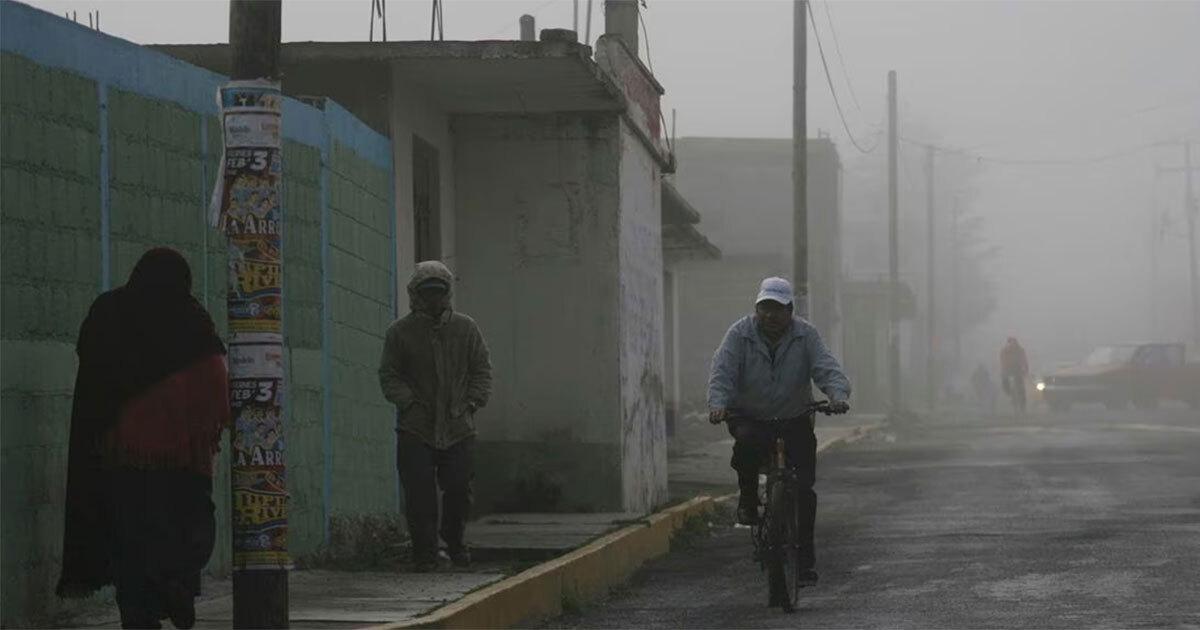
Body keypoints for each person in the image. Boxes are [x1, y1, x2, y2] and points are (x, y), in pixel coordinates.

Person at [58, 248, 230, 630]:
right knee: (187, 529)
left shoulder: (106, 312)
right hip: (181, 462)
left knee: (128, 542)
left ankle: (139, 615)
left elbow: (90, 367)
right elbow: (216, 373)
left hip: (121, 457)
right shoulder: (191, 317)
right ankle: (175, 585)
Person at [707, 277, 851, 586]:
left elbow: (825, 367)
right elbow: (723, 371)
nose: (770, 315)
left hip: (793, 417)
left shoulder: (805, 335)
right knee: (745, 445)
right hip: (751, 416)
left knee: (804, 491)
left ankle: (804, 563)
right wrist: (718, 404)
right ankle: (747, 501)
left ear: (790, 310)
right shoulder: (739, 334)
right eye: (764, 308)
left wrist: (838, 395)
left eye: (777, 308)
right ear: (756, 308)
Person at [379, 261, 492, 572]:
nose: (433, 299)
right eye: (426, 293)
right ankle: (425, 554)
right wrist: (409, 403)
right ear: (415, 293)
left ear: (448, 293)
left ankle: (455, 542)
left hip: (458, 425)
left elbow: (481, 370)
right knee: (419, 494)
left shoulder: (466, 329)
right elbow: (389, 375)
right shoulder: (399, 332)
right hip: (416, 427)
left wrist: (472, 403)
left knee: (458, 488)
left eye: (439, 292)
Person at [1000, 337, 1029, 414]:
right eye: (1010, 342)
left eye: (1013, 342)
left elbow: (1024, 360)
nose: (1011, 344)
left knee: (1021, 389)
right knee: (1005, 385)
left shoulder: (1020, 350)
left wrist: (1025, 370)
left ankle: (1023, 407)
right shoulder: (1004, 351)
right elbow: (1003, 362)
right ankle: (1010, 395)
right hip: (1008, 371)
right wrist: (1004, 371)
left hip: (1018, 371)